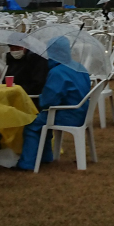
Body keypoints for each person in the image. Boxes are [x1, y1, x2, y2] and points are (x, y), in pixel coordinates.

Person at [17, 37, 94, 170]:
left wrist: (41, 98)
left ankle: (27, 164)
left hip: (66, 115)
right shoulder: (80, 67)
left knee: (33, 126)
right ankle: (45, 157)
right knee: (43, 123)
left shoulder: (57, 72)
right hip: (82, 112)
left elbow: (49, 101)